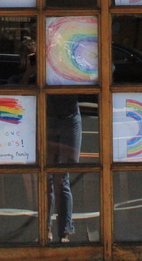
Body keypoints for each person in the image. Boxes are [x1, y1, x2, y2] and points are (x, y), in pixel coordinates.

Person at [46, 94, 81, 243]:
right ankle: (47, 229)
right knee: (47, 177)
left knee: (61, 178)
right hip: (48, 116)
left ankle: (64, 231)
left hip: (69, 116)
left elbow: (108, 70)